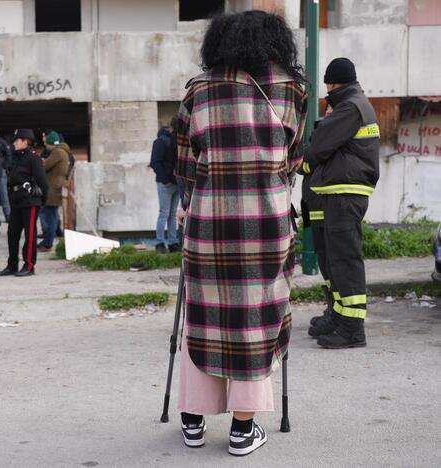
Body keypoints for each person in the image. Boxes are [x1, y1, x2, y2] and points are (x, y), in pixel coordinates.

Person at [175, 11, 307, 456]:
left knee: (205, 317)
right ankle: (242, 429)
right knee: (256, 320)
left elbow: (184, 166)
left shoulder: (199, 88)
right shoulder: (292, 89)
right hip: (266, 225)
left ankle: (192, 421)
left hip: (208, 223)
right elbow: (292, 161)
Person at [303, 58, 380, 349]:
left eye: (329, 84)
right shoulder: (347, 104)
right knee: (332, 257)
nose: (327, 89)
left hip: (345, 192)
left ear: (337, 83)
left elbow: (320, 144)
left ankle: (352, 328)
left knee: (345, 259)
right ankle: (338, 314)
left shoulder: (351, 106)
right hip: (333, 190)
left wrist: (306, 157)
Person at [300, 108, 336, 336]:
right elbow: (305, 163)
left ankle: (336, 313)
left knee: (334, 266)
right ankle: (332, 309)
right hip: (315, 210)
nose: (329, 112)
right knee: (326, 265)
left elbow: (309, 162)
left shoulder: (333, 136)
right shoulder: (320, 133)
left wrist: (305, 157)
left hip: (327, 209)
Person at [0, 129, 48, 277]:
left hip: (30, 200)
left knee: (30, 235)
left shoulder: (33, 158)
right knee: (12, 234)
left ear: (25, 141)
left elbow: (43, 182)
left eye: (17, 140)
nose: (14, 143)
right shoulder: (15, 157)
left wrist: (42, 201)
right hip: (16, 200)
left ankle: (29, 265)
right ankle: (12, 265)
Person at [150, 121, 180, 254]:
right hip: (166, 183)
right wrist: (165, 179)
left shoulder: (176, 142)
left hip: (176, 183)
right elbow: (155, 163)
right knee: (164, 213)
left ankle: (173, 243)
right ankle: (160, 243)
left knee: (172, 214)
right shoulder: (160, 142)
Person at [38, 131, 69, 252]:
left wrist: (40, 162)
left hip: (52, 188)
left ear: (51, 144)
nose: (46, 146)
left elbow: (44, 166)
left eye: (47, 144)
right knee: (52, 215)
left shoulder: (57, 152)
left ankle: (47, 244)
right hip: (56, 186)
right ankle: (47, 241)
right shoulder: (63, 151)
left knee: (48, 216)